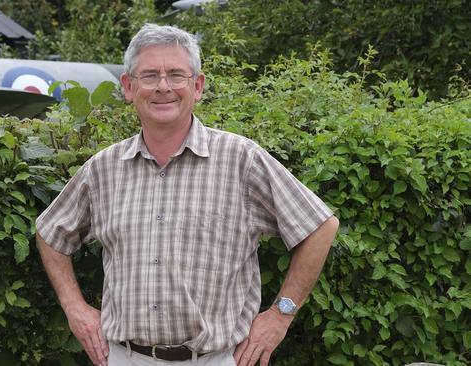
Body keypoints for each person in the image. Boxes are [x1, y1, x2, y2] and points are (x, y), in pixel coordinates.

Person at [35, 23, 339, 366]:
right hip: (124, 357)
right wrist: (75, 308)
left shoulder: (242, 160)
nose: (163, 87)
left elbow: (319, 227)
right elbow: (50, 233)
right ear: (128, 88)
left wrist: (281, 314)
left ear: (198, 86)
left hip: (218, 359)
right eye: (149, 76)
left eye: (176, 75)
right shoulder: (103, 170)